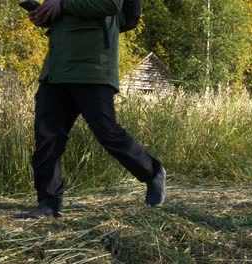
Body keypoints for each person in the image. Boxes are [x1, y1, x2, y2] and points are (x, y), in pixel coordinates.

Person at [13, 0, 166, 219]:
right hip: (56, 68)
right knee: (47, 137)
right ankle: (48, 202)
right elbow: (64, 13)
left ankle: (152, 172)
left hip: (92, 67)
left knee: (107, 132)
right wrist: (44, 15)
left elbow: (109, 4)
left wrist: (62, 6)